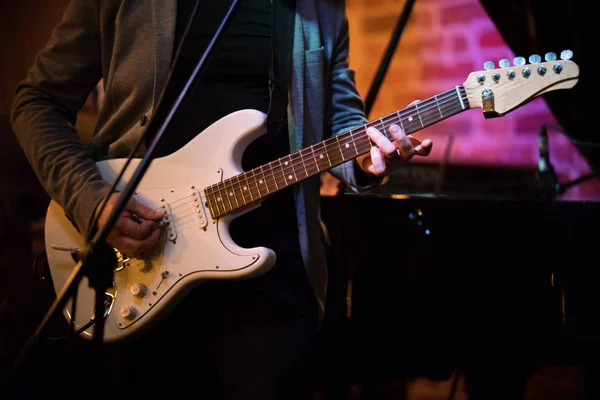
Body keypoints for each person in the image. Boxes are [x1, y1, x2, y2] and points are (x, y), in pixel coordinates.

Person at [9, 0, 433, 398]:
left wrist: (366, 156)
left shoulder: (318, 6)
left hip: (275, 267)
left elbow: (339, 118)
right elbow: (37, 102)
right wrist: (93, 199)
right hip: (143, 254)